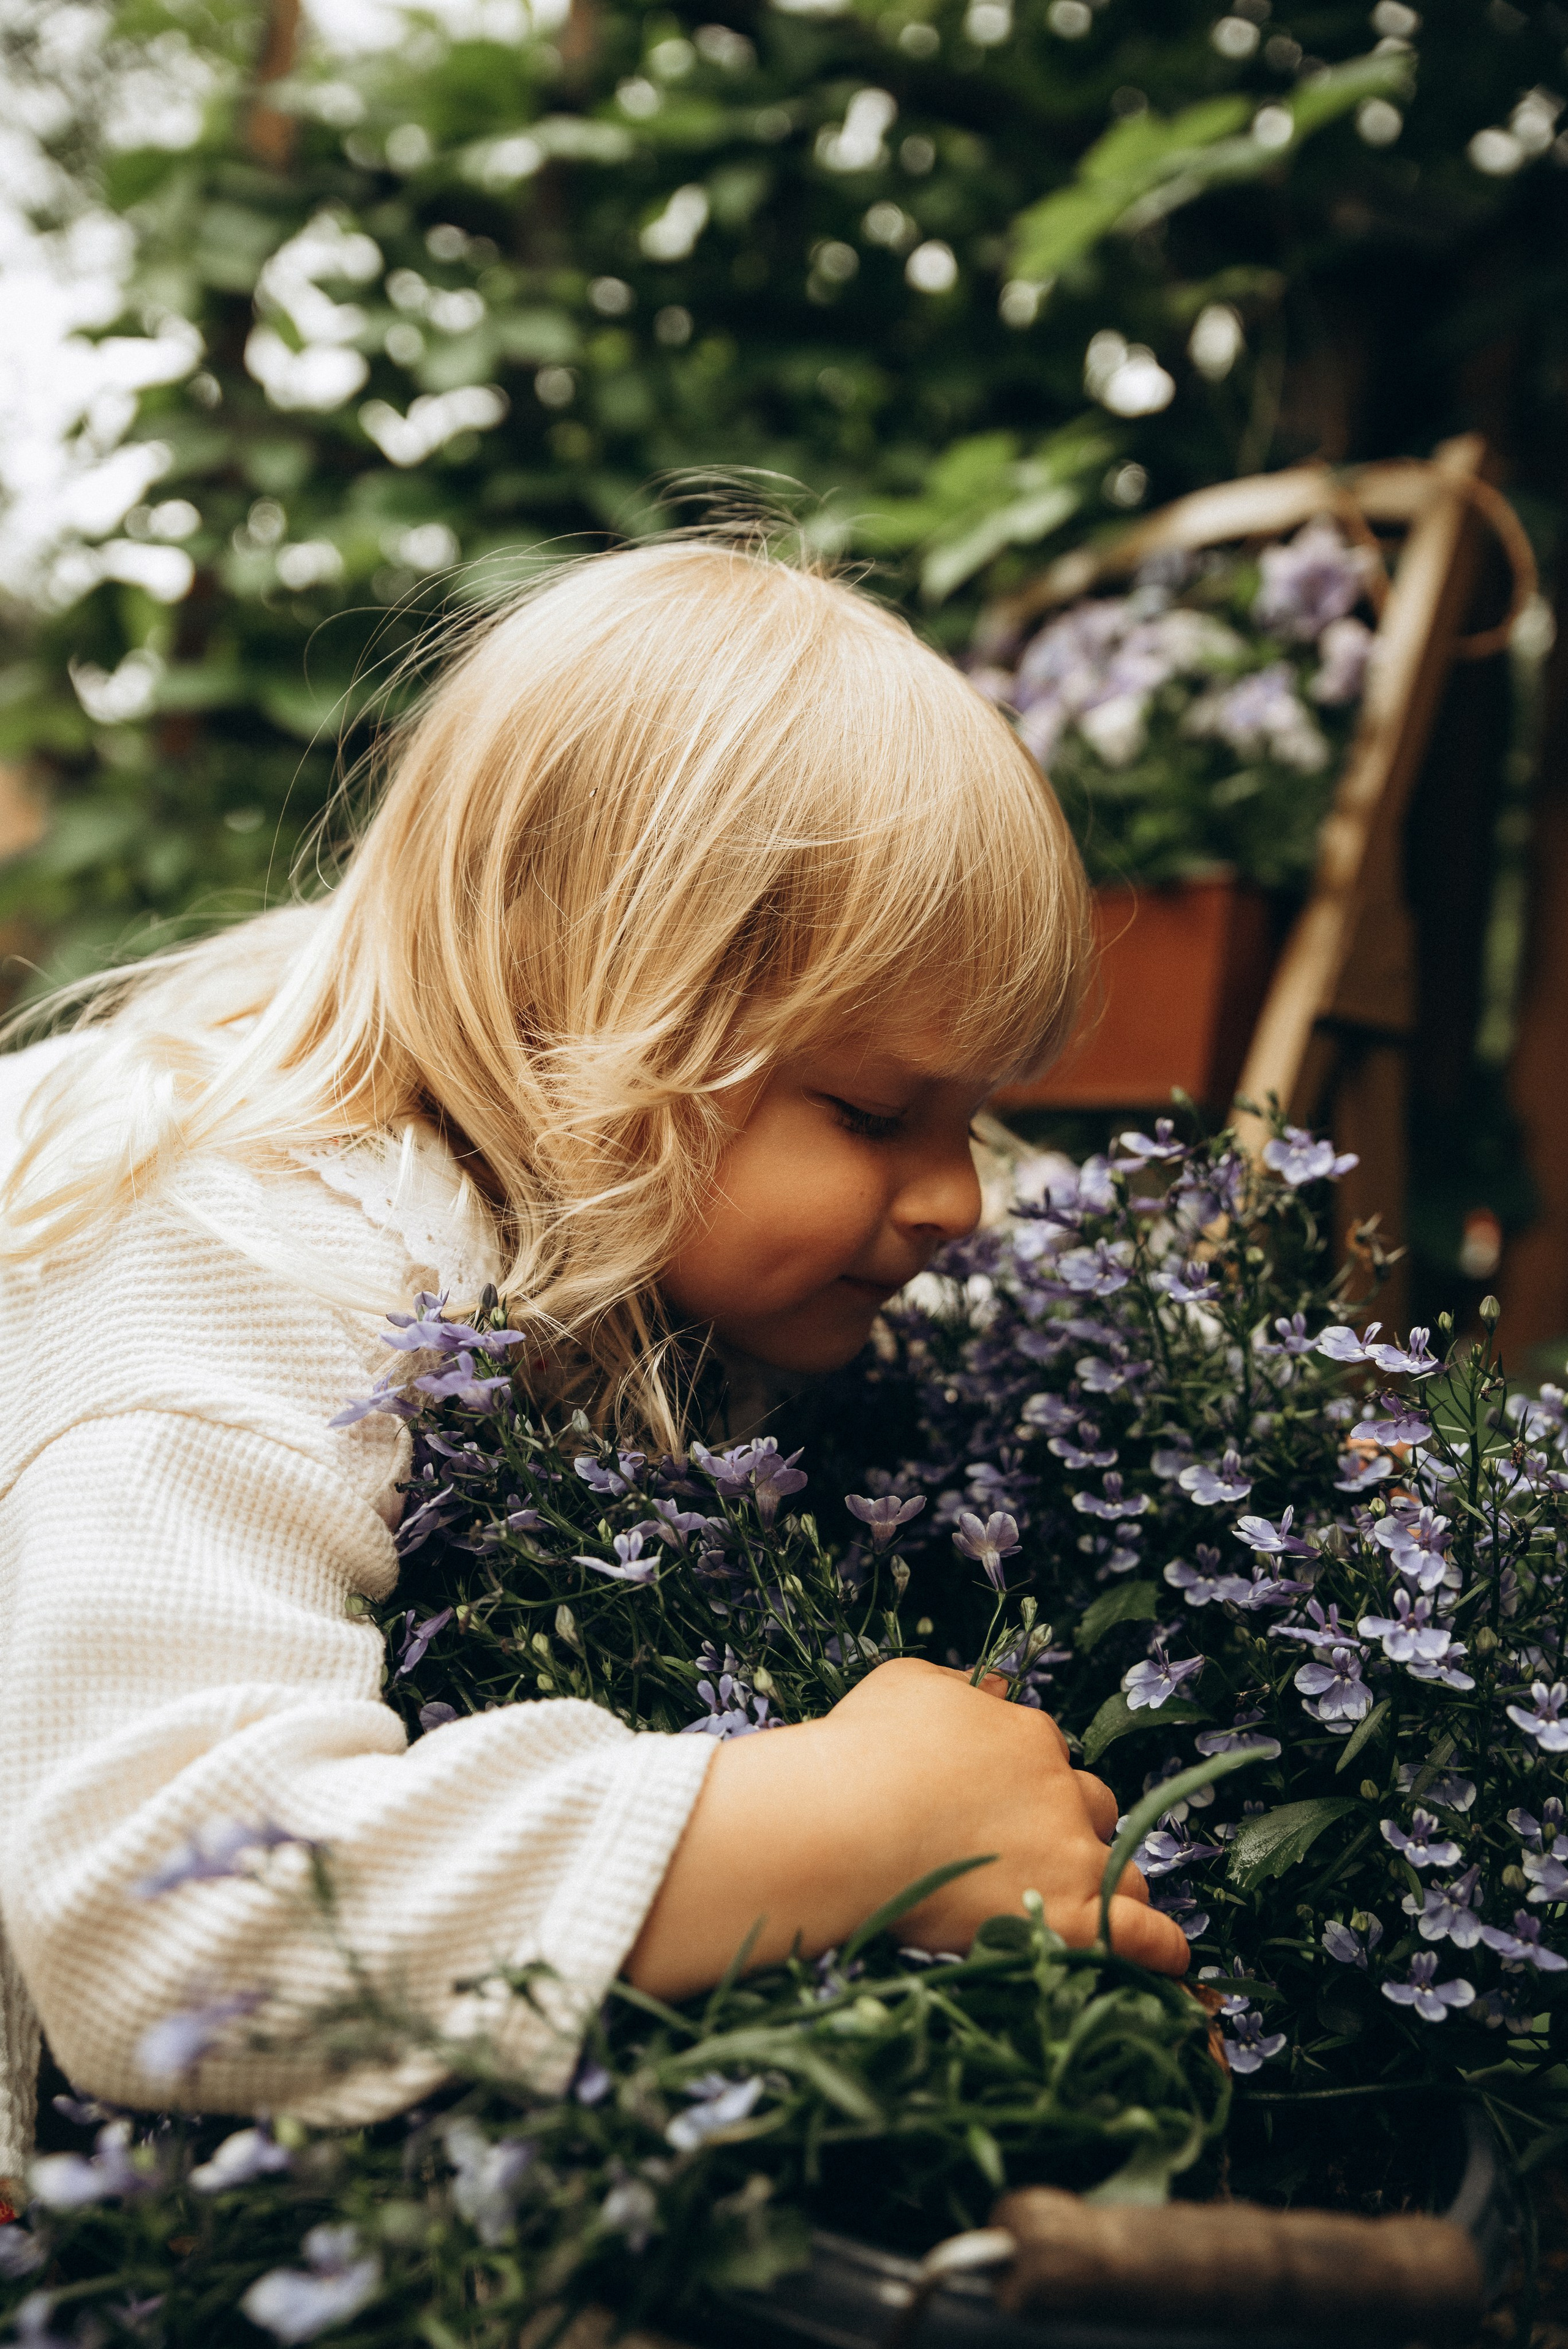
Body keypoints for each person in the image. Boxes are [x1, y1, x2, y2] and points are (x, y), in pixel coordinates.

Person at [0, 540, 1188, 2191]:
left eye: (975, 1114)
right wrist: (837, 1821)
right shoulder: (234, 1239)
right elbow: (169, 1919)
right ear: (576, 1017)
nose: (958, 1201)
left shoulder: (600, 1159)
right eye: (872, 1112)